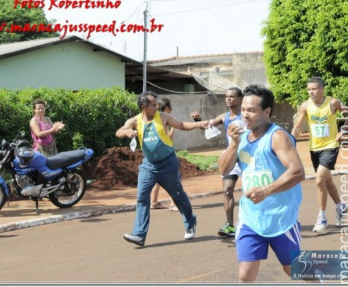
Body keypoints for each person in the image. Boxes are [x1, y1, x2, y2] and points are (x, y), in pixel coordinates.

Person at [218, 84, 305, 282]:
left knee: (293, 269)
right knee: (245, 275)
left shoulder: (278, 137)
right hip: (251, 219)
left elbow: (298, 172)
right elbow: (223, 170)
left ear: (267, 112)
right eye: (243, 110)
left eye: (251, 110)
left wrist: (266, 191)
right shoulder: (240, 137)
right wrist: (233, 144)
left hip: (281, 219)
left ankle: (326, 275)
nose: (245, 115)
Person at [115, 91, 209, 247]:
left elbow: (182, 125)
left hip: (168, 163)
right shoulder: (135, 121)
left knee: (177, 195)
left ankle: (190, 221)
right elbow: (118, 132)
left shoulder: (163, 117)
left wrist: (200, 123)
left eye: (156, 104)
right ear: (143, 106)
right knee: (142, 197)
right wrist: (127, 132)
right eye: (153, 105)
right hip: (149, 165)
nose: (156, 107)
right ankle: (139, 235)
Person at [291, 76, 348, 233]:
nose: (311, 92)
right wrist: (290, 142)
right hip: (314, 148)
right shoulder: (305, 106)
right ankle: (340, 206)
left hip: (331, 146)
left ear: (322, 89)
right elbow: (297, 126)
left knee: (319, 181)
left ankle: (322, 217)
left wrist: (343, 130)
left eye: (314, 89)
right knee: (327, 181)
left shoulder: (333, 103)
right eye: (309, 89)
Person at [191, 87, 243, 237]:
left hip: (247, 156)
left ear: (240, 99)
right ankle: (230, 225)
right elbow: (206, 126)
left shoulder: (246, 115)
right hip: (231, 156)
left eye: (232, 96)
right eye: (227, 96)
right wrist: (198, 120)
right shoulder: (224, 117)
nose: (228, 99)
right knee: (227, 190)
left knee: (251, 191)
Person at [150, 98, 178, 211]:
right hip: (166, 153)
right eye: (170, 107)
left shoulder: (153, 119)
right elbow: (169, 138)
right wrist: (174, 126)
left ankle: (154, 202)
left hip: (155, 153)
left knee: (157, 178)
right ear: (167, 108)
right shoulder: (164, 119)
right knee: (174, 177)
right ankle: (173, 204)